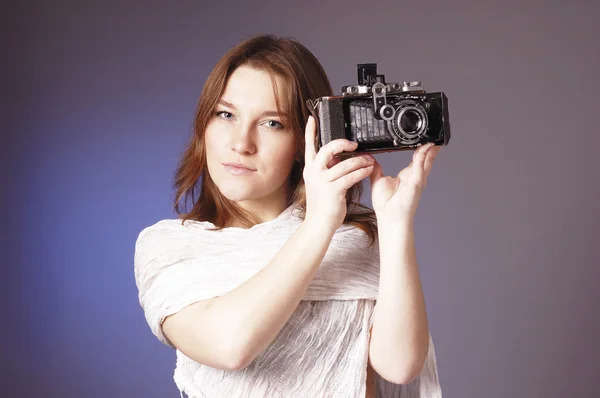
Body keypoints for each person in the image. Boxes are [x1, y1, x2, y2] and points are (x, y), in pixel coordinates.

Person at [134, 34, 443, 398]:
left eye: (272, 124)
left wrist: (395, 224)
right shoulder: (168, 247)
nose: (241, 143)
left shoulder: (356, 237)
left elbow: (399, 365)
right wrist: (318, 226)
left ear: (306, 141)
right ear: (205, 122)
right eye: (226, 114)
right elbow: (229, 346)